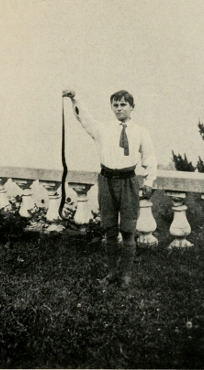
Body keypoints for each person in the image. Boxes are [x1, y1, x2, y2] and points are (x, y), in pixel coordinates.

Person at [62, 89, 157, 288]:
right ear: (111, 107)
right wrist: (75, 98)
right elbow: (83, 117)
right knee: (110, 229)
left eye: (123, 104)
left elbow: (150, 159)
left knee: (128, 230)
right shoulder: (102, 130)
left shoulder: (141, 132)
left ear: (132, 107)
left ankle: (126, 275)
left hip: (128, 182)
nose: (119, 108)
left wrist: (149, 182)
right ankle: (112, 272)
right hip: (106, 180)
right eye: (115, 105)